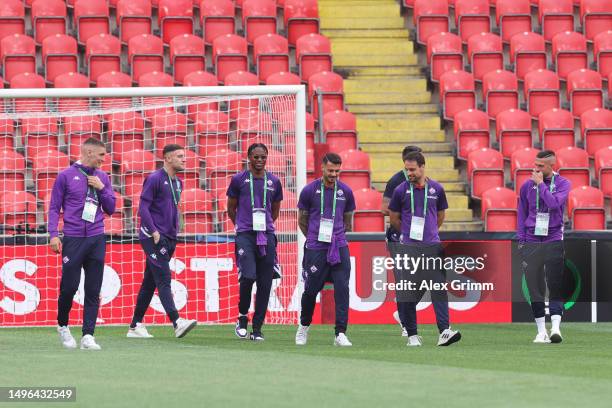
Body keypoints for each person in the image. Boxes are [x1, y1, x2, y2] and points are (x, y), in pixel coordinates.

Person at [49, 137, 116, 350]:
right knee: (69, 288)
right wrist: (53, 234)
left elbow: (111, 208)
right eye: (101, 155)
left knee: (93, 288)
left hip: (96, 237)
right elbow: (53, 208)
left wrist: (102, 188)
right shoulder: (65, 176)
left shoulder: (103, 176)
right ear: (88, 153)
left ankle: (88, 335)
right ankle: (63, 325)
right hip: (73, 238)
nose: (104, 159)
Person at [388, 151, 461, 347]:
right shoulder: (400, 190)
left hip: (432, 247)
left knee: (438, 288)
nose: (409, 173)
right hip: (409, 248)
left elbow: (440, 215)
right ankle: (412, 335)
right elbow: (393, 217)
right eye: (406, 169)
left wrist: (430, 235)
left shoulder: (436, 188)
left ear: (422, 167)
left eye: (412, 169)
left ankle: (444, 331)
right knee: (408, 293)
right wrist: (408, 235)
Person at [127, 144, 197, 339]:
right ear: (167, 158)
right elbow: (143, 208)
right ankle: (177, 322)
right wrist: (154, 231)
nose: (184, 159)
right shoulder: (155, 179)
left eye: (184, 156)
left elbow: (173, 208)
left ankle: (135, 326)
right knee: (164, 278)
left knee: (149, 282)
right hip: (153, 237)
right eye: (179, 156)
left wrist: (176, 228)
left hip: (170, 236)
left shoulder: (178, 182)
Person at [295, 153, 355, 347]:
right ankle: (303, 327)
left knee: (342, 289)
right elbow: (302, 220)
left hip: (339, 246)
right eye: (331, 170)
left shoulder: (345, 191)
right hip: (316, 248)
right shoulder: (309, 191)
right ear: (322, 167)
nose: (334, 174)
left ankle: (340, 333)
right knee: (311, 290)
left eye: (337, 171)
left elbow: (348, 221)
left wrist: (336, 237)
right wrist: (315, 238)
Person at [227, 143, 283, 341]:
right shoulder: (238, 180)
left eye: (263, 157)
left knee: (265, 283)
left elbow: (275, 210)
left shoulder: (274, 181)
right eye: (256, 157)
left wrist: (265, 227)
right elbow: (230, 207)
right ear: (248, 157)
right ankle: (242, 317)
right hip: (245, 235)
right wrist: (241, 226)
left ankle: (257, 329)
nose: (259, 161)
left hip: (266, 234)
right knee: (248, 276)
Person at [517, 150, 571, 344]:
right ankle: (541, 331)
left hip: (553, 238)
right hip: (531, 239)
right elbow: (521, 213)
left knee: (555, 284)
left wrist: (541, 185)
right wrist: (521, 240)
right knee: (534, 286)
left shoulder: (563, 184)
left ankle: (556, 328)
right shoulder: (526, 186)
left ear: (551, 166)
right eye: (535, 165)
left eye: (540, 166)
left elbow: (554, 204)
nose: (536, 169)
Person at [381, 145, 423, 337]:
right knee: (403, 280)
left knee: (424, 278)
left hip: (420, 235)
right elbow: (384, 208)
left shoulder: (425, 183)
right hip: (399, 235)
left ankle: (403, 312)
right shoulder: (396, 181)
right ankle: (407, 325)